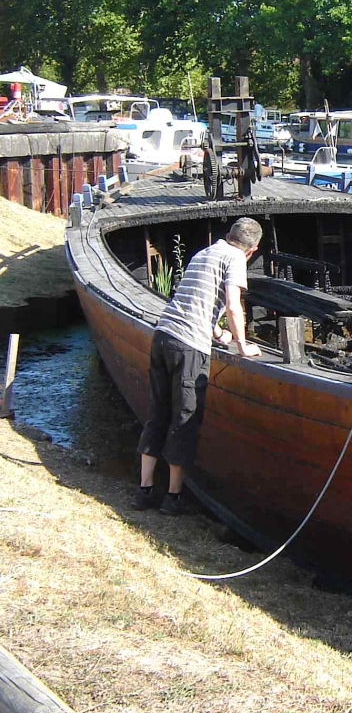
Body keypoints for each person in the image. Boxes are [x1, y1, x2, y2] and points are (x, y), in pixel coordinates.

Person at [135, 217, 263, 515]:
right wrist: (242, 345)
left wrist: (219, 334)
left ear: (228, 235)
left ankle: (143, 492)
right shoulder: (235, 258)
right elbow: (232, 305)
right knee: (185, 420)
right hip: (189, 346)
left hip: (163, 335)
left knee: (157, 414)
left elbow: (194, 302)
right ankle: (173, 498)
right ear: (252, 250)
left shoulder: (205, 252)